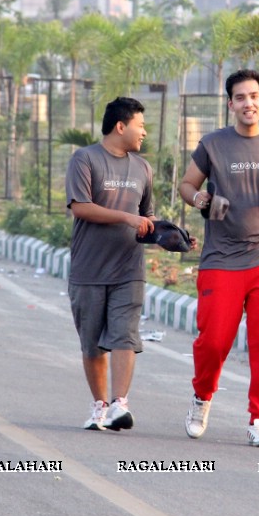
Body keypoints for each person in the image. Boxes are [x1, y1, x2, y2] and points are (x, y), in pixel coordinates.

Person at [178, 69, 259, 448]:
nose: (248, 103)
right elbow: (188, 185)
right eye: (240, 97)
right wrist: (201, 199)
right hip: (221, 258)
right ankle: (202, 397)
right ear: (230, 103)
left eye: (254, 96)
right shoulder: (213, 144)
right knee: (214, 341)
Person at [65, 96, 155, 432]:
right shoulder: (84, 159)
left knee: (124, 335)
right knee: (91, 344)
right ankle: (99, 406)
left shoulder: (143, 168)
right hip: (88, 270)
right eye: (140, 125)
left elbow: (147, 217)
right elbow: (80, 207)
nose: (144, 132)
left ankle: (120, 404)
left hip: (128, 270)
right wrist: (127, 218)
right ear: (121, 126)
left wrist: (170, 235)